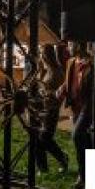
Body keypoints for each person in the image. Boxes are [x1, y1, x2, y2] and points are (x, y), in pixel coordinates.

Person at [57, 41, 95, 189]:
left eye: (71, 44)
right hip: (76, 107)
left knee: (77, 135)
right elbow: (69, 82)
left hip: (90, 106)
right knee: (85, 144)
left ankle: (86, 175)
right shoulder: (71, 62)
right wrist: (62, 89)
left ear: (79, 45)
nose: (68, 47)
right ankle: (86, 175)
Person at [36, 44, 68, 174]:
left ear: (49, 56)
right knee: (38, 138)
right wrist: (39, 71)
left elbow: (59, 92)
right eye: (40, 54)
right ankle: (43, 169)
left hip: (51, 109)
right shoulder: (46, 70)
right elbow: (40, 85)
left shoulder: (57, 71)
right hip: (43, 107)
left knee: (44, 138)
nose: (41, 57)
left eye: (43, 54)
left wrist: (49, 94)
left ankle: (62, 158)